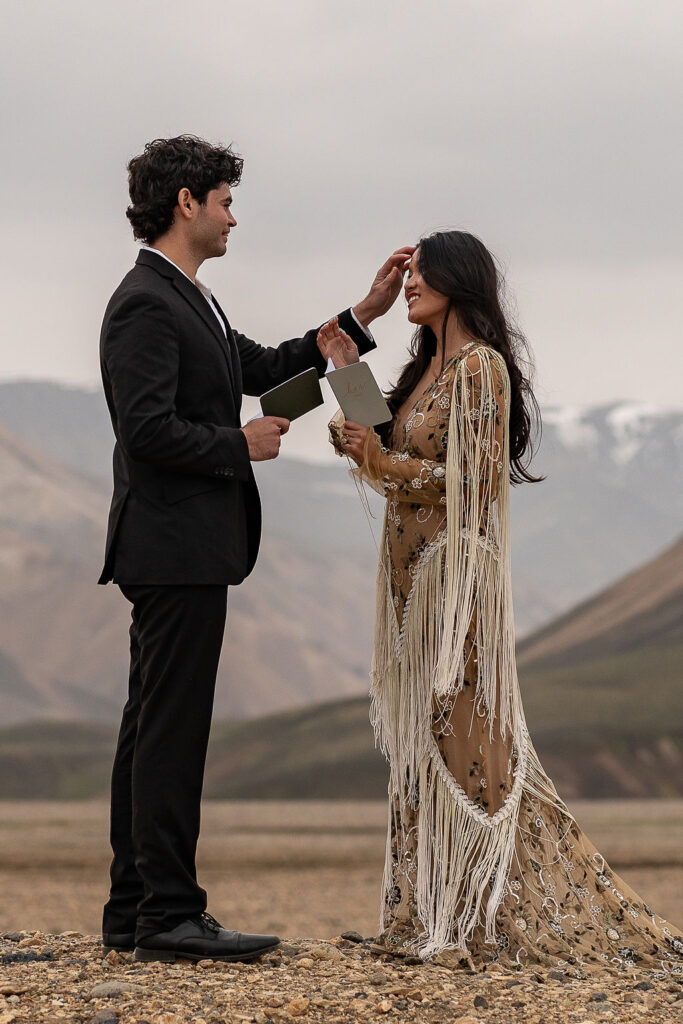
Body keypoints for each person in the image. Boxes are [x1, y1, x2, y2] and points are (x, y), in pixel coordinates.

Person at [322, 230, 683, 976]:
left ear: (460, 279)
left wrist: (373, 458)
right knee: (422, 743)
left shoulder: (481, 370)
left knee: (466, 746)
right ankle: (422, 916)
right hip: (405, 580)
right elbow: (387, 444)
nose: (410, 283)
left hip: (455, 586)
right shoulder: (426, 367)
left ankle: (473, 923)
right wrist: (348, 375)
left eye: (420, 273)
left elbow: (467, 481)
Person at [98, 134, 412, 963]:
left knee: (149, 725)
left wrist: (362, 317)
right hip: (172, 544)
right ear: (185, 203)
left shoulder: (190, 298)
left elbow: (269, 369)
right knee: (170, 728)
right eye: (225, 199)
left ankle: (133, 909)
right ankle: (168, 912)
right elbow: (145, 430)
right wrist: (236, 445)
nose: (235, 215)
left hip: (186, 544)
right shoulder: (144, 302)